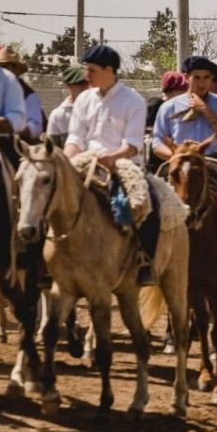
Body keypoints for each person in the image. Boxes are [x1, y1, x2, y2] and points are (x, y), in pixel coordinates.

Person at [64, 44, 154, 284]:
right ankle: (47, 260)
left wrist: (111, 158)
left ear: (109, 70)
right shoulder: (83, 99)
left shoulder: (132, 100)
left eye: (91, 70)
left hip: (123, 165)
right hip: (85, 162)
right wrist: (67, 159)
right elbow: (75, 136)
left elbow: (133, 144)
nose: (86, 76)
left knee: (142, 203)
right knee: (50, 196)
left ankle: (145, 259)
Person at [152, 56, 217, 161]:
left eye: (206, 77)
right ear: (187, 77)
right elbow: (157, 142)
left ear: (212, 78)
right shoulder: (169, 107)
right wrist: (176, 156)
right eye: (196, 78)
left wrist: (206, 110)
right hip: (179, 160)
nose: (202, 83)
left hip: (214, 161)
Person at [0, 46, 44, 142]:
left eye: (5, 67)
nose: (1, 71)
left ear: (15, 69)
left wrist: (13, 128)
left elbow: (35, 127)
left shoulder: (28, 95)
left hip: (20, 146)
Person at [46, 64, 90, 146]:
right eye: (80, 83)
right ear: (68, 85)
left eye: (89, 82)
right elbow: (54, 152)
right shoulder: (59, 115)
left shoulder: (102, 108)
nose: (86, 87)